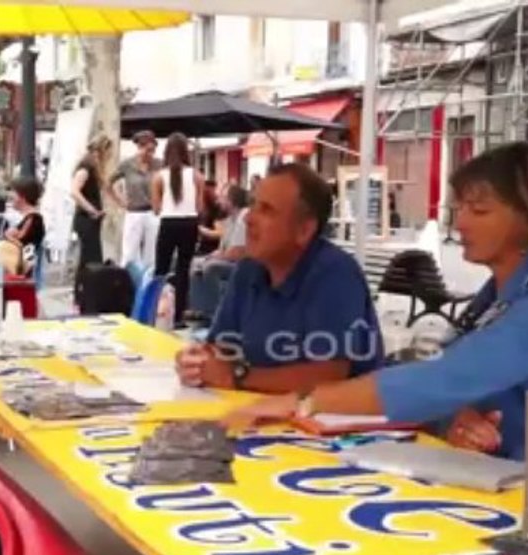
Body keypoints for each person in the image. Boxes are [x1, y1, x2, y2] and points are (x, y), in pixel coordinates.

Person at [226, 143, 528, 461]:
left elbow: (437, 380)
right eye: (459, 207)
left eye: (479, 210)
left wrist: (302, 401)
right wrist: (454, 419)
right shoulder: (500, 294)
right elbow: (447, 386)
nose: (459, 223)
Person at [177, 163, 381, 394]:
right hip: (266, 415)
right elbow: (220, 348)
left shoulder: (335, 274)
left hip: (340, 422)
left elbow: (328, 376)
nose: (249, 219)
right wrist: (197, 363)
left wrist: (237, 376)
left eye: (266, 210)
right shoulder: (249, 270)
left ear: (304, 231)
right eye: (253, 205)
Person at [152, 132, 205, 320]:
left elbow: (156, 209)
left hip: (168, 223)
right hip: (189, 223)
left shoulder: (159, 177)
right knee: (183, 269)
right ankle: (179, 314)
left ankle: (157, 308)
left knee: (161, 268)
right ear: (186, 152)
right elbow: (200, 207)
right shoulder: (197, 176)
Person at [186, 183, 249, 325]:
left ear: (231, 200)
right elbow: (223, 248)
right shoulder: (229, 220)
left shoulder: (244, 217)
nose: (218, 200)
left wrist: (217, 256)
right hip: (230, 259)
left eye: (222, 197)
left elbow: (238, 253)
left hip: (244, 264)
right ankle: (201, 310)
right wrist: (213, 255)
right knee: (195, 263)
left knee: (211, 267)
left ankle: (214, 313)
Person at [109, 130, 162, 271]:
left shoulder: (159, 164)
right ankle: (127, 281)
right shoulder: (127, 165)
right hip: (134, 211)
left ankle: (148, 283)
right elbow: (108, 183)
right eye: (148, 150)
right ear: (139, 147)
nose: (150, 154)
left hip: (153, 212)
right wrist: (120, 201)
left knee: (151, 252)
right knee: (130, 252)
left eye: (153, 150)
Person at [71, 135, 111, 271]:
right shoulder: (85, 169)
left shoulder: (93, 170)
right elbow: (75, 192)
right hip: (85, 219)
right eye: (107, 151)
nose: (109, 155)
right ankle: (85, 286)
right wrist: (91, 210)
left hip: (91, 219)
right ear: (100, 151)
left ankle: (88, 286)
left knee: (91, 255)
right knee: (90, 256)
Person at [0, 175, 45, 277]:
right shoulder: (28, 219)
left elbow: (25, 248)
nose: (10, 197)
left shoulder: (33, 220)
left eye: (13, 194)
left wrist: (9, 236)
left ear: (22, 197)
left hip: (21, 277)